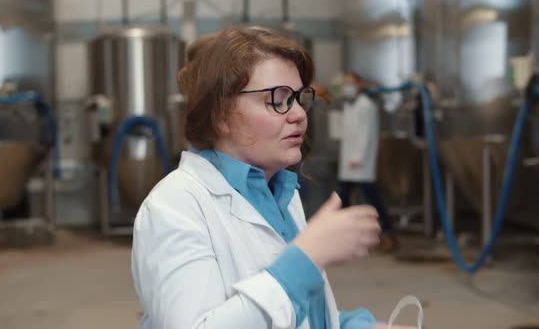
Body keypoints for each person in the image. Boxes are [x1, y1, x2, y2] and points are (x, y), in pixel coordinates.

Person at [131, 27, 415, 329]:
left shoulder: (283, 194)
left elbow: (294, 316)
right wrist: (306, 257)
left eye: (299, 98)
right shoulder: (175, 206)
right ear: (222, 115)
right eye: (278, 100)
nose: (299, 115)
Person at [337, 72, 398, 253]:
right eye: (345, 83)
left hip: (359, 162)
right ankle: (346, 236)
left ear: (359, 85)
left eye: (350, 83)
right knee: (344, 198)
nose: (347, 87)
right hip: (349, 161)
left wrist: (357, 157)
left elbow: (366, 134)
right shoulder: (349, 105)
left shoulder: (366, 106)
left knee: (371, 199)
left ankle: (388, 233)